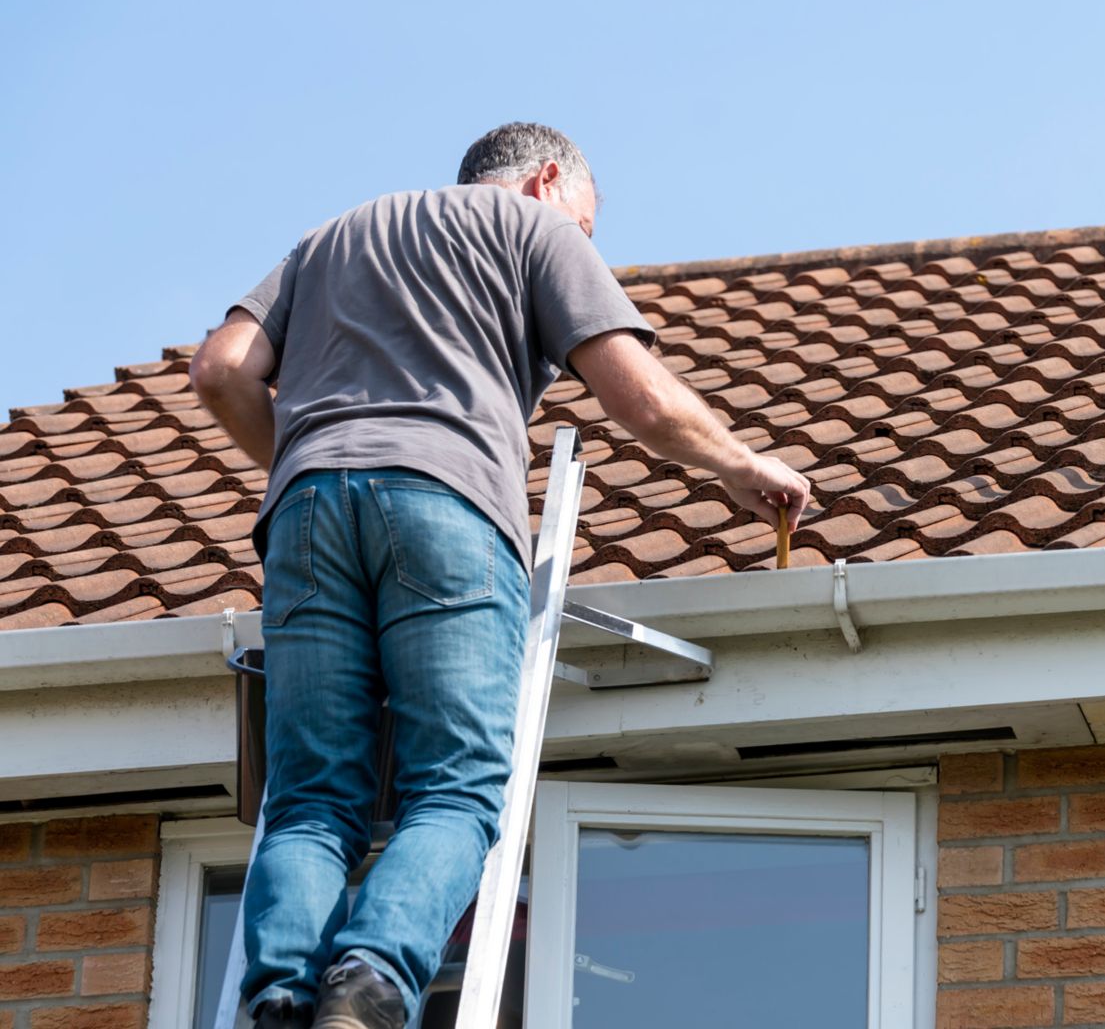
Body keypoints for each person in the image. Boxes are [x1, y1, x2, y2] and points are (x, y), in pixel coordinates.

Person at [189, 122, 811, 1029]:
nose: (588, 244)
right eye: (590, 226)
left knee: (313, 794)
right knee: (455, 785)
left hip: (307, 514)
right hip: (447, 503)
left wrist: (308, 463)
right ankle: (367, 987)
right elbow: (636, 393)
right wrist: (740, 464)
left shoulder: (331, 236)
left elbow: (221, 372)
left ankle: (280, 996)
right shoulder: (537, 231)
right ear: (547, 179)